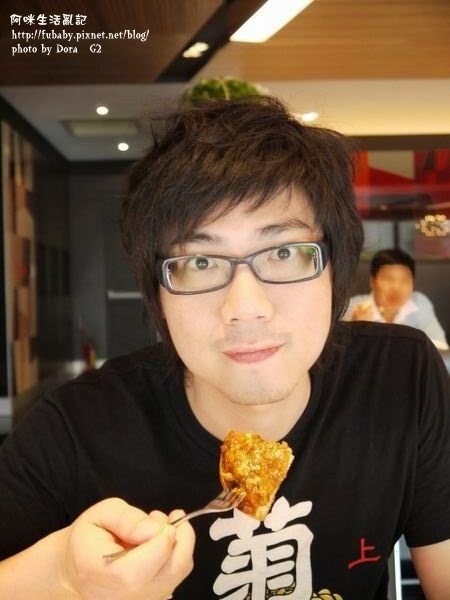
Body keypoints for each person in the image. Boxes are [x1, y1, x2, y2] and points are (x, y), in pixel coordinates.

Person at [0, 96, 449, 600]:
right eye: (200, 263)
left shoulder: (399, 377)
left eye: (284, 252)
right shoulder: (74, 430)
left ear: (335, 268)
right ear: (157, 293)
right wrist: (62, 578)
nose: (245, 308)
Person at [345, 248, 449, 350]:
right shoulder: (353, 307)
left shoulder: (420, 303)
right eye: (389, 279)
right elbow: (341, 355)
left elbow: (441, 348)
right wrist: (357, 330)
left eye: (404, 280)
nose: (396, 287)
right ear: (372, 282)